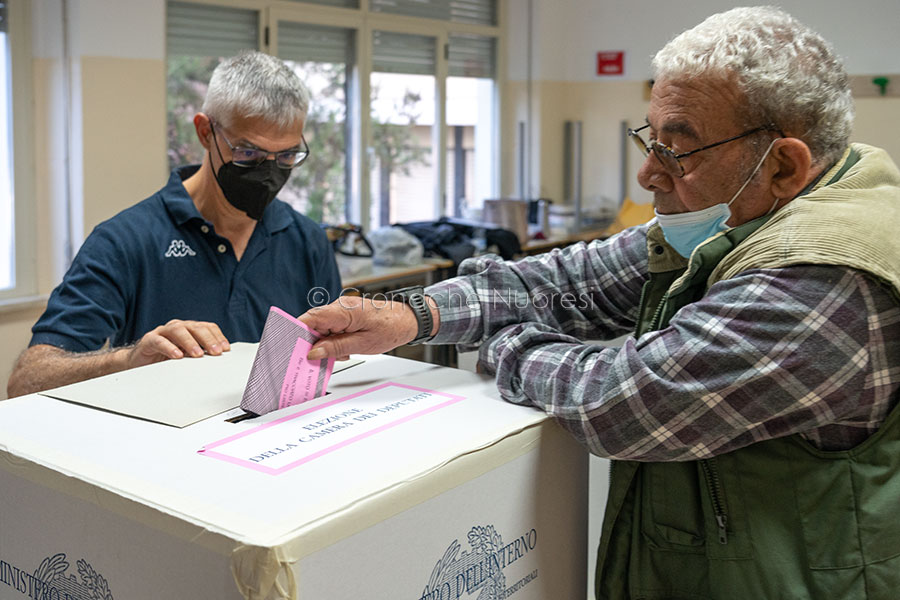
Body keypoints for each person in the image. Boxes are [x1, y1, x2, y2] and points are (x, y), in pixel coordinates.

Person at [299, 7, 900, 600]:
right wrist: (411, 316)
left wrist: (506, 343)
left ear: (783, 164)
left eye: (677, 150)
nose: (647, 174)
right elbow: (572, 278)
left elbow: (624, 401)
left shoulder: (820, 278)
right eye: (650, 139)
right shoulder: (754, 214)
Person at [7, 51, 341, 398]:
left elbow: (334, 360)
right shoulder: (125, 242)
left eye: (286, 156)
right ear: (205, 131)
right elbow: (26, 381)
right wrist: (127, 361)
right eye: (248, 153)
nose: (269, 173)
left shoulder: (307, 240)